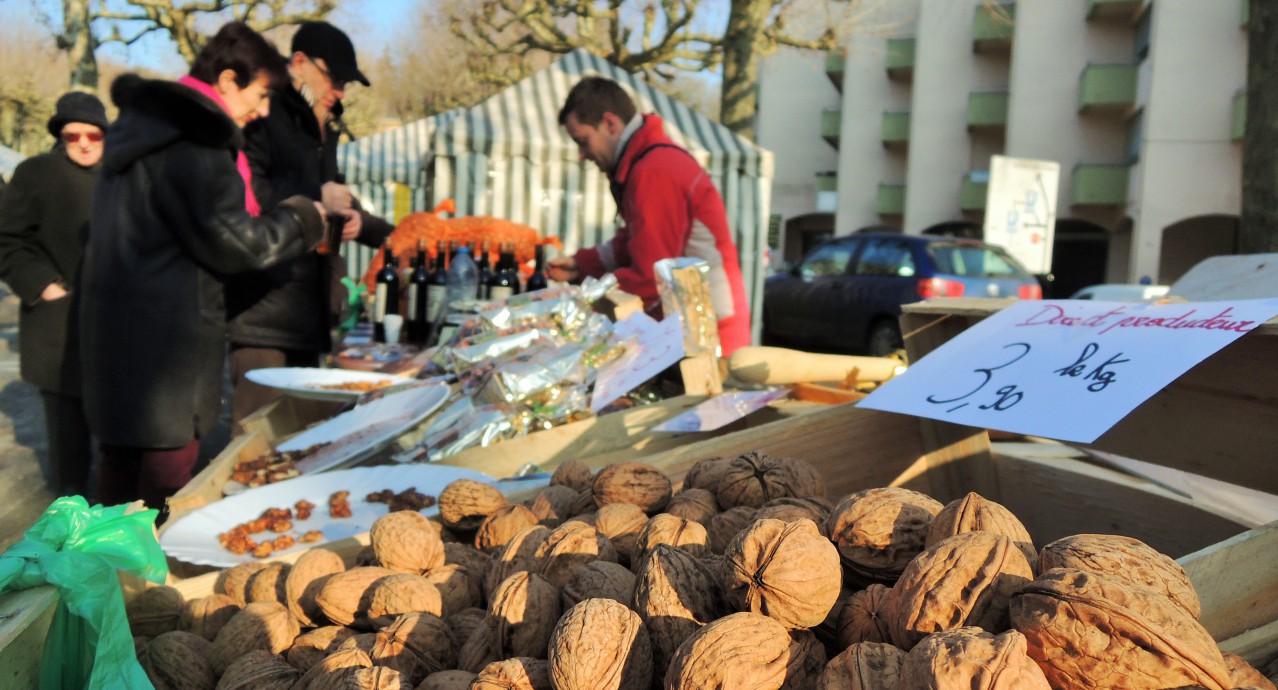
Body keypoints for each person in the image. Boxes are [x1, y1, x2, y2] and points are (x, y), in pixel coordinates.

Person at [79, 22, 329, 512]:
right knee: (163, 489)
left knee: (116, 481)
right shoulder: (193, 141)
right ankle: (144, 586)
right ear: (228, 80)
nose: (260, 113)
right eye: (259, 95)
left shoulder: (145, 131)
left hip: (118, 341)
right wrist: (305, 218)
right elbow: (236, 243)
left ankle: (100, 581)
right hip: (166, 351)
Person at [228, 21, 392, 428]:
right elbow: (249, 193)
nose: (340, 91)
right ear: (299, 62)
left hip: (310, 307)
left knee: (296, 436)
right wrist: (318, 196)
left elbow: (329, 192)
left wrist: (365, 223)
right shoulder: (263, 111)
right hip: (264, 309)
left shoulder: (322, 122)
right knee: (255, 434)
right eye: (335, 79)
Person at [548, 76, 752, 355]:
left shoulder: (655, 171)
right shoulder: (645, 164)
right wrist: (581, 264)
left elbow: (650, 277)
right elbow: (631, 242)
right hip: (697, 332)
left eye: (583, 141)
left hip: (710, 341)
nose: (582, 155)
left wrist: (583, 302)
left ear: (610, 123)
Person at [0, 91, 108, 497]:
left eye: (93, 135)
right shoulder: (35, 173)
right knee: (68, 444)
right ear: (59, 135)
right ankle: (70, 517)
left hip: (116, 321)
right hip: (58, 324)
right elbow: (7, 241)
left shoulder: (122, 176)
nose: (83, 142)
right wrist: (42, 284)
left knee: (122, 436)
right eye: (72, 134)